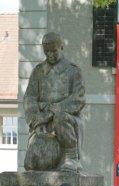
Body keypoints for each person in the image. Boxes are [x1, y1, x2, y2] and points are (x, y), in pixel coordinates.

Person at [24, 32, 85, 172]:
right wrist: (36, 121)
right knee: (32, 165)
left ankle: (71, 156)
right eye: (47, 52)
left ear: (61, 47)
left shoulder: (73, 71)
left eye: (54, 51)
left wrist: (53, 110)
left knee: (60, 117)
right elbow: (29, 98)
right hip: (42, 122)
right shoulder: (38, 72)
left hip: (66, 120)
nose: (50, 55)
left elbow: (79, 98)